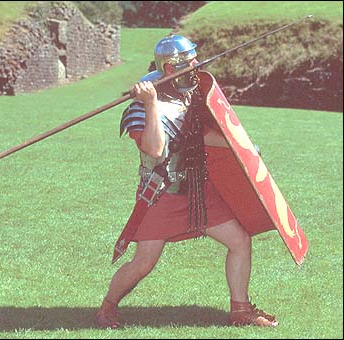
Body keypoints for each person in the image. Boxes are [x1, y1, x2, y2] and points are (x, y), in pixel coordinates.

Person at [96, 35, 278, 329]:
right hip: (162, 194)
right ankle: (107, 308)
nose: (197, 65)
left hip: (197, 191)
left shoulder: (189, 96)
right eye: (189, 62)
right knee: (144, 262)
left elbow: (198, 136)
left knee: (240, 240)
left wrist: (242, 146)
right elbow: (155, 149)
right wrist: (151, 102)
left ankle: (240, 311)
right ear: (170, 67)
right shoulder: (141, 108)